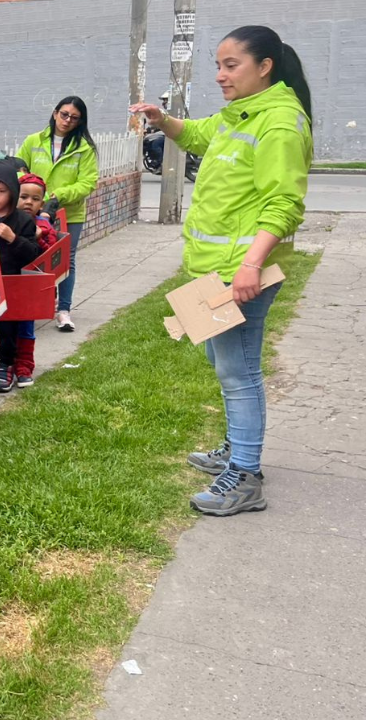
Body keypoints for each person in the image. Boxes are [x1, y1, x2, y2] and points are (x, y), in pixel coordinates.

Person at [132, 25, 312, 517]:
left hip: (241, 275)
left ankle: (246, 474)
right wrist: (161, 118)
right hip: (214, 271)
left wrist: (251, 265)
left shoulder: (278, 124)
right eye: (219, 64)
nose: (220, 75)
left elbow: (284, 202)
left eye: (231, 65)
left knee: (239, 371)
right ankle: (238, 448)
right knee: (223, 362)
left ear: (265, 66)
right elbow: (195, 134)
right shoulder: (240, 116)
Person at [17, 96, 99, 333]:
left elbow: (88, 183)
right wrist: (34, 192)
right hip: (32, 211)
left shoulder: (84, 148)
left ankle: (63, 310)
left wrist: (58, 195)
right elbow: (19, 170)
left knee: (66, 260)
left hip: (69, 213)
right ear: (55, 113)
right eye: (64, 114)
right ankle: (31, 306)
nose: (67, 121)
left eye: (74, 118)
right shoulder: (34, 141)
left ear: (80, 122)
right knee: (32, 257)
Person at [0, 160, 41, 394]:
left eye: (1, 191)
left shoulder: (22, 220)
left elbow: (33, 254)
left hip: (9, 283)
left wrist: (13, 238)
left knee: (7, 328)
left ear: (12, 192)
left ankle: (6, 364)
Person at [11, 173, 59, 389]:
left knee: (26, 327)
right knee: (7, 327)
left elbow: (51, 256)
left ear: (41, 203)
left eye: (35, 199)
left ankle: (24, 366)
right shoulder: (6, 222)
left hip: (30, 287)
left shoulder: (44, 227)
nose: (28, 202)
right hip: (8, 283)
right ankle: (7, 363)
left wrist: (39, 237)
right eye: (24, 197)